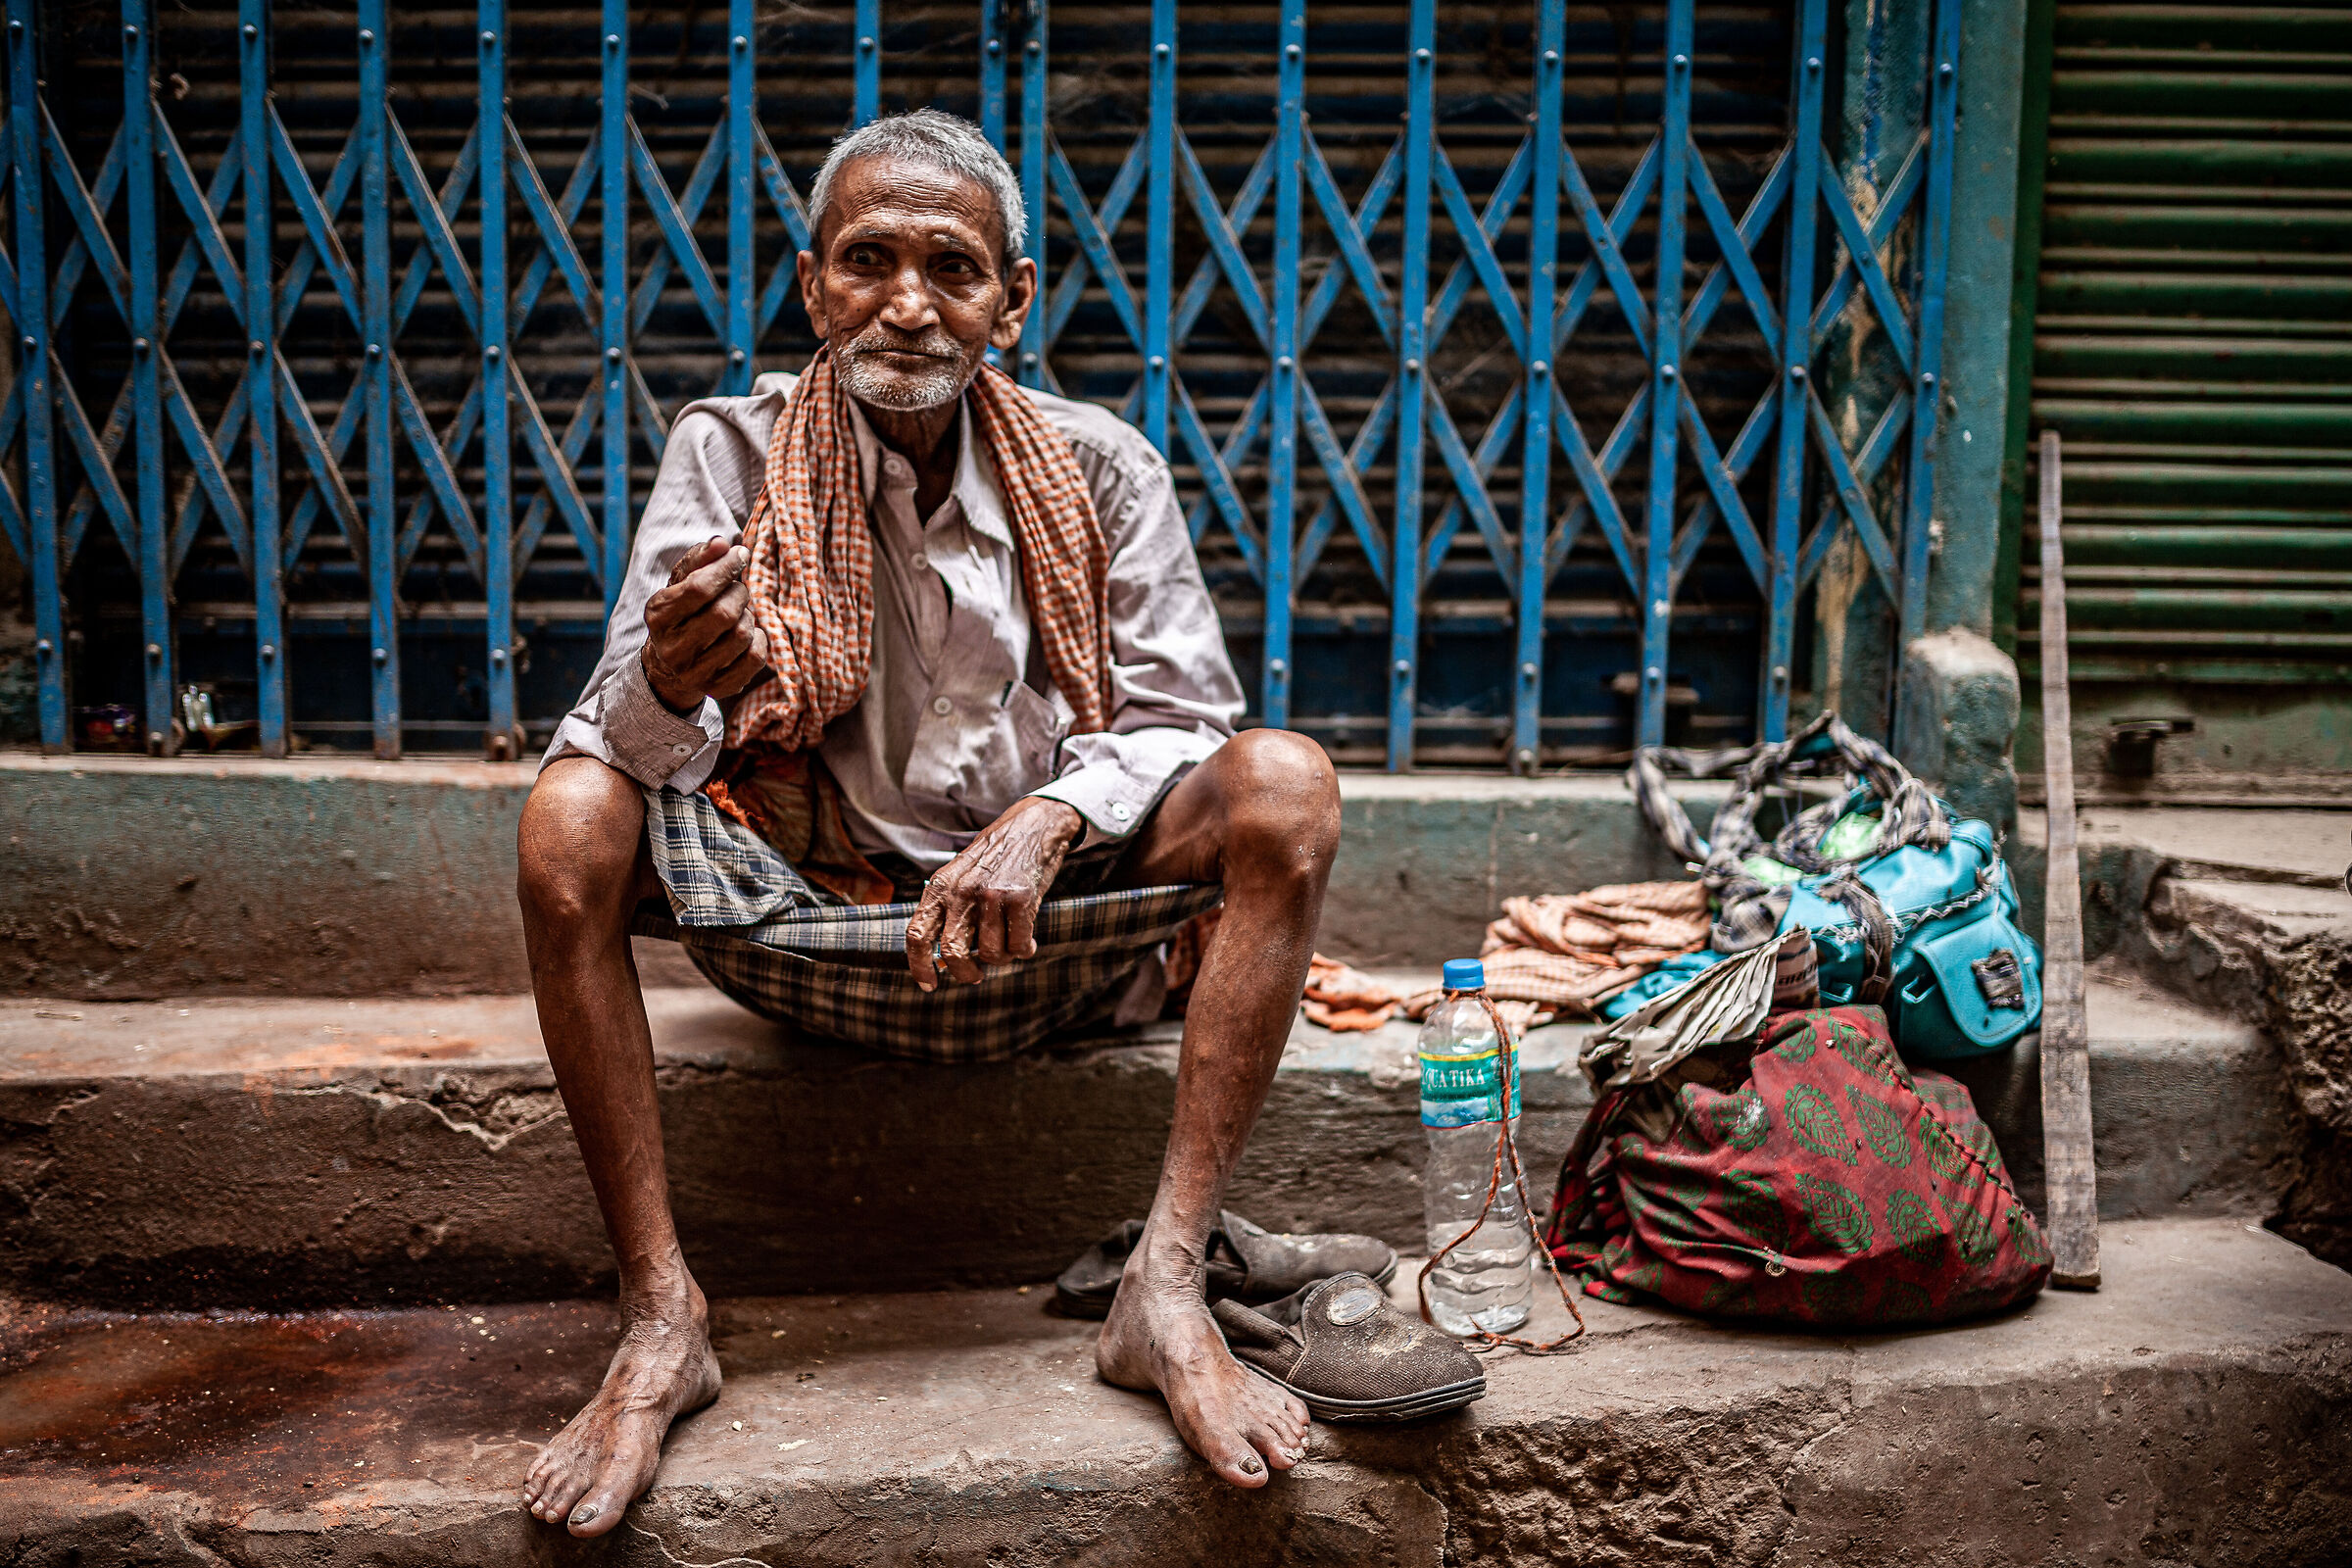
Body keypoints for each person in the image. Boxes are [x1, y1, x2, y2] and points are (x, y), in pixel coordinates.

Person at [514, 108, 1342, 1538]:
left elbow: (1183, 719)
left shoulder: (1100, 466)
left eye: (952, 267)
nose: (908, 302)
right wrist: (666, 682)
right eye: (869, 261)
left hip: (1054, 928)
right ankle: (664, 1319)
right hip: (808, 921)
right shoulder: (731, 450)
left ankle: (1163, 1289)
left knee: (1287, 784)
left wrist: (1044, 815)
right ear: (812, 286)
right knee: (568, 816)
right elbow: (623, 735)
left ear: (1012, 302)